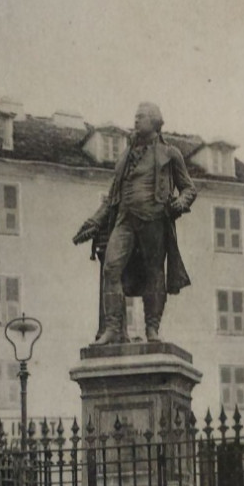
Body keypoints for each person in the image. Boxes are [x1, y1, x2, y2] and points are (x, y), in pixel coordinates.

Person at [73, 102, 197, 343]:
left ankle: (152, 328)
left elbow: (189, 188)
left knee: (154, 273)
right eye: (135, 117)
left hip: (154, 218)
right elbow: (111, 198)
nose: (136, 120)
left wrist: (181, 203)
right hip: (124, 219)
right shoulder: (125, 156)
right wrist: (94, 222)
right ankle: (112, 328)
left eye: (141, 117)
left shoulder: (171, 153)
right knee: (110, 268)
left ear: (155, 121)